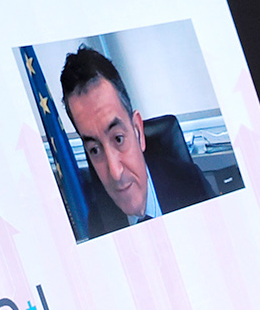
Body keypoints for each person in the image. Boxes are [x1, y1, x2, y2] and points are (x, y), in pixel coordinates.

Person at [60, 46, 216, 237]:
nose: (115, 173)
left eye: (118, 139)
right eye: (95, 150)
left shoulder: (191, 185)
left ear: (138, 132)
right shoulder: (98, 223)